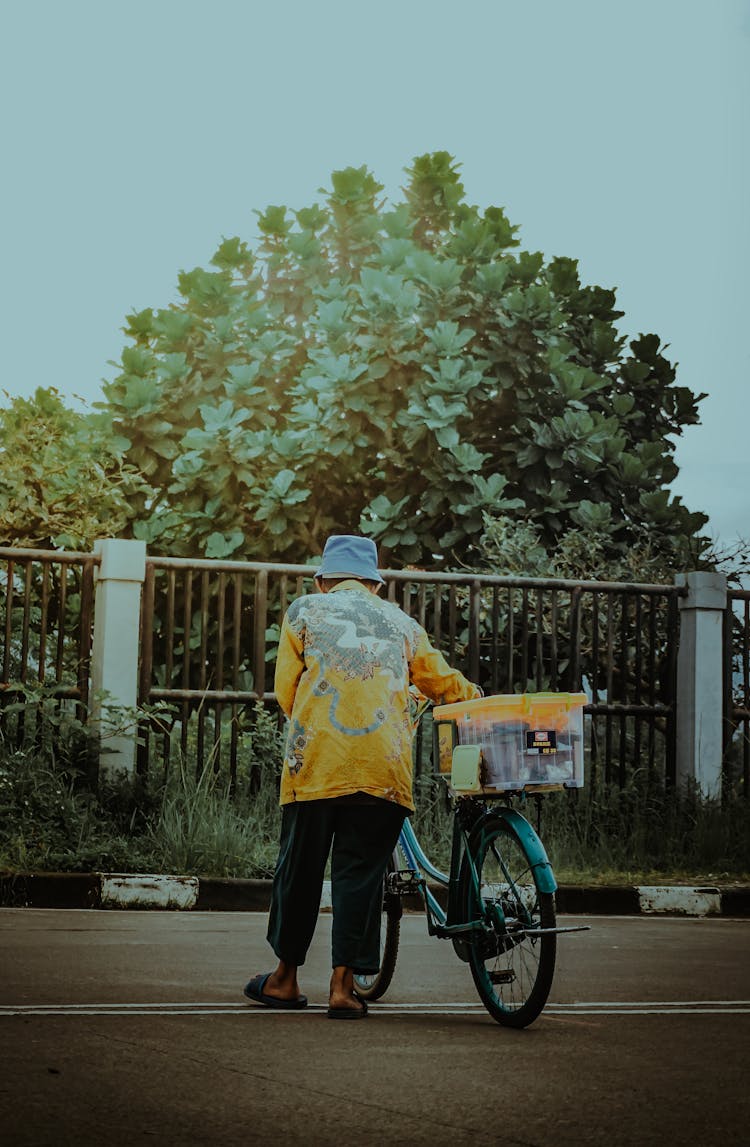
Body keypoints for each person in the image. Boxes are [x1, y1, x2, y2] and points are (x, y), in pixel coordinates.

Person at [243, 534, 480, 1019]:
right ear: (376, 584)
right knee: (361, 876)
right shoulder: (402, 623)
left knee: (300, 871)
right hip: (382, 769)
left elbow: (287, 694)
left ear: (321, 581)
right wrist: (475, 692)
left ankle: (285, 980)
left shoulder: (303, 612)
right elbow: (443, 683)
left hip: (315, 766)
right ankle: (342, 988)